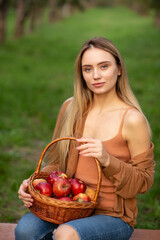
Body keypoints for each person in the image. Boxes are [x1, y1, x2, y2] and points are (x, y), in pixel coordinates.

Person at [15, 37, 155, 240]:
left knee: (66, 234)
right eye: (87, 69)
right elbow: (55, 164)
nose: (96, 75)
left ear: (119, 69)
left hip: (112, 217)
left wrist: (108, 160)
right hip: (69, 205)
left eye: (104, 66)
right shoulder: (71, 109)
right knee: (25, 230)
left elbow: (143, 183)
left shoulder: (132, 120)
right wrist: (33, 183)